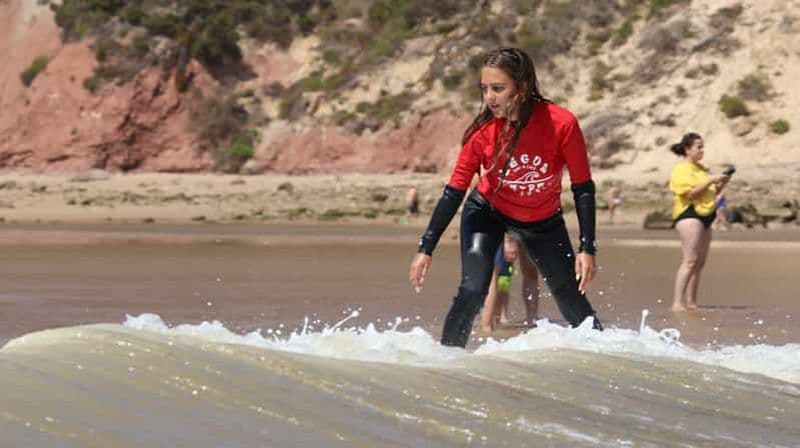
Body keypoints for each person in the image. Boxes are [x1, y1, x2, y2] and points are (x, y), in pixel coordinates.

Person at [408, 47, 602, 348]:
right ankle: (446, 358)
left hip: (543, 220)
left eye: (498, 88)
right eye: (484, 89)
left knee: (570, 296)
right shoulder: (483, 132)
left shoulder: (561, 123)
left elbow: (583, 186)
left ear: (522, 87)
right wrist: (426, 247)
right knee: (473, 290)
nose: (489, 97)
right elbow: (454, 190)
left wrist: (587, 247)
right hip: (488, 213)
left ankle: (608, 355)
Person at [668, 133, 730, 311]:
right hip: (689, 214)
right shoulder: (681, 169)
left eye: (703, 146)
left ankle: (691, 302)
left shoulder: (702, 169)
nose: (702, 150)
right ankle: (677, 302)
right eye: (698, 147)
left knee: (699, 263)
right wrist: (710, 180)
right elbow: (690, 194)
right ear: (687, 149)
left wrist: (722, 182)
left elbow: (712, 192)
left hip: (707, 214)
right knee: (690, 260)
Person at [478, 234, 540, 334]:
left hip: (526, 229)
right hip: (502, 230)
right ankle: (492, 321)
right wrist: (509, 239)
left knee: (530, 270)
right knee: (496, 274)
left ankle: (532, 318)